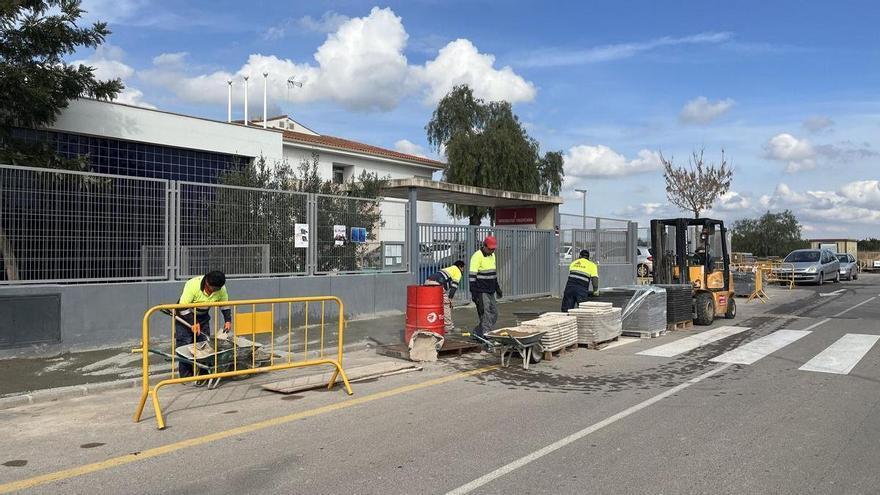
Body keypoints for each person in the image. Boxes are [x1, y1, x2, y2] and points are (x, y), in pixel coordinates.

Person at [175, 271, 232, 379]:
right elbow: (182, 307)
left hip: (203, 317)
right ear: (206, 282)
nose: (214, 291)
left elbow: (224, 305)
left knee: (204, 345)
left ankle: (204, 375)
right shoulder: (192, 285)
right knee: (185, 345)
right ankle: (186, 376)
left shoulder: (221, 288)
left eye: (217, 289)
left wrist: (228, 320)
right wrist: (193, 322)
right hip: (185, 316)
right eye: (212, 289)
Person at [469, 235, 501, 339]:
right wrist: (474, 293)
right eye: (491, 249)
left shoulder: (492, 255)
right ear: (485, 246)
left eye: (494, 249)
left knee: (494, 313)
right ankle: (486, 336)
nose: (492, 251)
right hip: (481, 290)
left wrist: (497, 288)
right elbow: (472, 276)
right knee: (486, 313)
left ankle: (477, 332)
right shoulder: (476, 256)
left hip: (491, 290)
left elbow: (493, 274)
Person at [426, 260, 465, 333]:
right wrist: (450, 298)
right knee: (446, 304)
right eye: (463, 268)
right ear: (460, 267)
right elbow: (454, 286)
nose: (463, 271)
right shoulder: (457, 271)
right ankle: (448, 326)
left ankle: (431, 324)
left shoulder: (448, 269)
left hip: (427, 282)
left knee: (432, 305)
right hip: (437, 284)